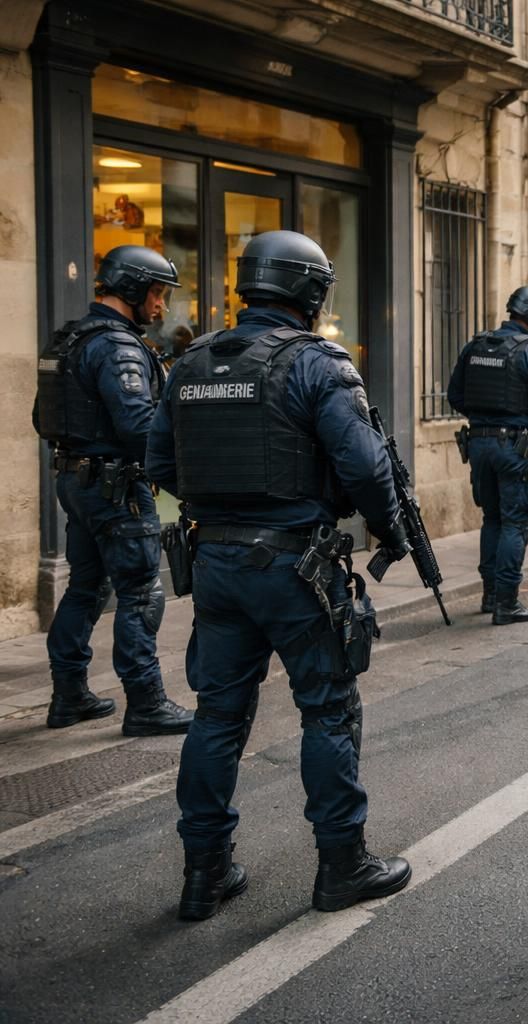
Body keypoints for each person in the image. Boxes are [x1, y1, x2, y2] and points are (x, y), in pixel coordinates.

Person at [146, 230, 414, 921]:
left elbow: (161, 465)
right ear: (311, 290)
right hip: (295, 566)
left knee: (217, 717)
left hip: (214, 564)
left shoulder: (191, 361)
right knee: (327, 709)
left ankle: (203, 877)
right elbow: (364, 466)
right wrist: (388, 529)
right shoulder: (318, 364)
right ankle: (342, 866)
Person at [33, 245, 193, 736]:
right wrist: (183, 477)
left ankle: (69, 695)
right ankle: (145, 703)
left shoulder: (72, 338)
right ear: (132, 289)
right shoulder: (119, 347)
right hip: (115, 488)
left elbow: (41, 419)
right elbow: (139, 428)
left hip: (76, 482)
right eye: (158, 294)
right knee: (141, 592)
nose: (161, 306)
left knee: (86, 588)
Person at [447, 286, 528, 624]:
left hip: (478, 445)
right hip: (514, 448)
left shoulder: (475, 345)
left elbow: (454, 396)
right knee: (515, 523)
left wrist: (485, 417)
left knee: (492, 519)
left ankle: (490, 595)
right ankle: (507, 602)